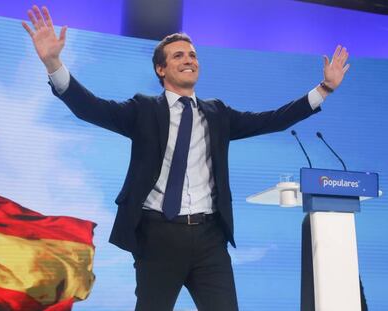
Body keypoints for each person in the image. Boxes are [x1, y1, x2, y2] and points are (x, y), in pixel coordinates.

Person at [22, 5, 350, 311]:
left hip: (209, 238)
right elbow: (89, 108)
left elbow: (272, 119)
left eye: (192, 54)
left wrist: (323, 89)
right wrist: (54, 64)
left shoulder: (217, 113)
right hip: (157, 235)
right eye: (178, 55)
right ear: (161, 69)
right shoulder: (143, 110)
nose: (188, 59)